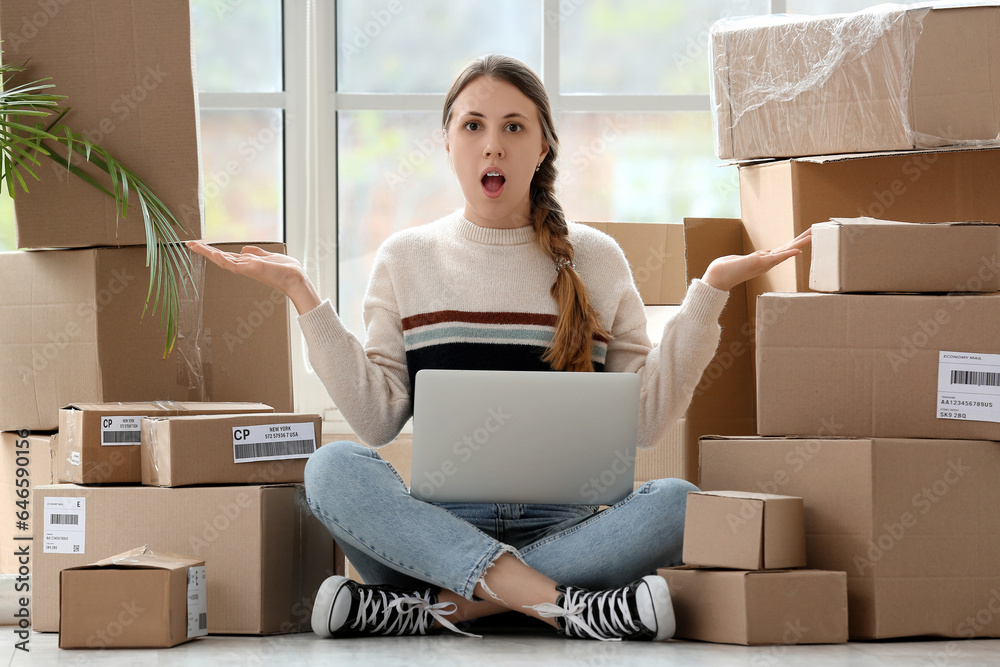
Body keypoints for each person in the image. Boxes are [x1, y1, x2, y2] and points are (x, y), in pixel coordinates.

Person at [187, 54, 810, 642]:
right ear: (448, 142)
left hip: (565, 527)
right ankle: (563, 607)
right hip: (434, 534)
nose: (493, 144)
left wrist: (709, 294)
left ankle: (432, 612)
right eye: (474, 125)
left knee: (677, 503)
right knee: (331, 468)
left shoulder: (598, 259)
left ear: (543, 147)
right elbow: (376, 420)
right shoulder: (407, 258)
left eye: (515, 126)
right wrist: (303, 295)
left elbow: (644, 424)